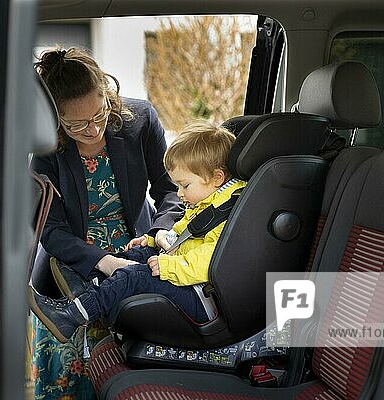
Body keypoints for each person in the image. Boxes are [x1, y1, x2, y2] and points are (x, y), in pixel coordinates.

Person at [30, 46, 182, 400]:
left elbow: (169, 188)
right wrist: (103, 261)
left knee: (126, 365)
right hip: (71, 264)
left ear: (107, 95)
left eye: (99, 115)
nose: (93, 129)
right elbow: (50, 229)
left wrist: (161, 229)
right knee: (68, 371)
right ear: (56, 119)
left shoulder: (140, 120)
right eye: (77, 124)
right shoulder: (46, 148)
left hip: (136, 253)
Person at [28, 120, 247, 342]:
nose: (179, 193)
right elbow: (187, 234)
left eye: (185, 186)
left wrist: (167, 265)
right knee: (137, 256)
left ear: (217, 178)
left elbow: (210, 261)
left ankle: (71, 316)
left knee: (136, 275)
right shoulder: (212, 200)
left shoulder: (229, 210)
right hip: (188, 279)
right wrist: (153, 239)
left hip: (201, 297)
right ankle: (93, 284)